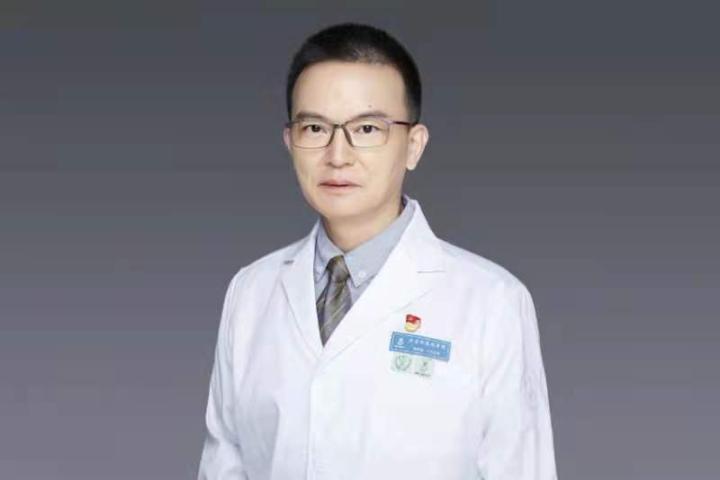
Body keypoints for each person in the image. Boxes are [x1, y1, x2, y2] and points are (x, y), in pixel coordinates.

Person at [197, 22, 558, 480]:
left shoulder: (492, 302)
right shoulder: (251, 292)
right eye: (315, 128)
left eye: (367, 128)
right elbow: (223, 467)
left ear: (413, 146)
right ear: (290, 142)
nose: (338, 155)